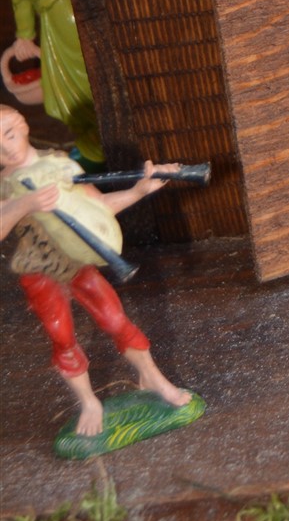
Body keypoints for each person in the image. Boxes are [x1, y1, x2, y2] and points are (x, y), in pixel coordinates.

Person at [0, 105, 191, 438]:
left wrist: (136, 191)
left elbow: (98, 207)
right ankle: (89, 402)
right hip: (40, 270)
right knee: (61, 336)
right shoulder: (4, 185)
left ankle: (153, 378)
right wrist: (25, 203)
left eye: (9, 134)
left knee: (115, 319)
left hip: (77, 263)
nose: (6, 149)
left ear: (24, 126)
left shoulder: (60, 164)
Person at [0, 0, 101, 162]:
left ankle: (100, 132)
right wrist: (24, 35)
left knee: (82, 71)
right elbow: (21, 0)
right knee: (64, 79)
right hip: (51, 19)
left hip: (66, 13)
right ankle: (89, 134)